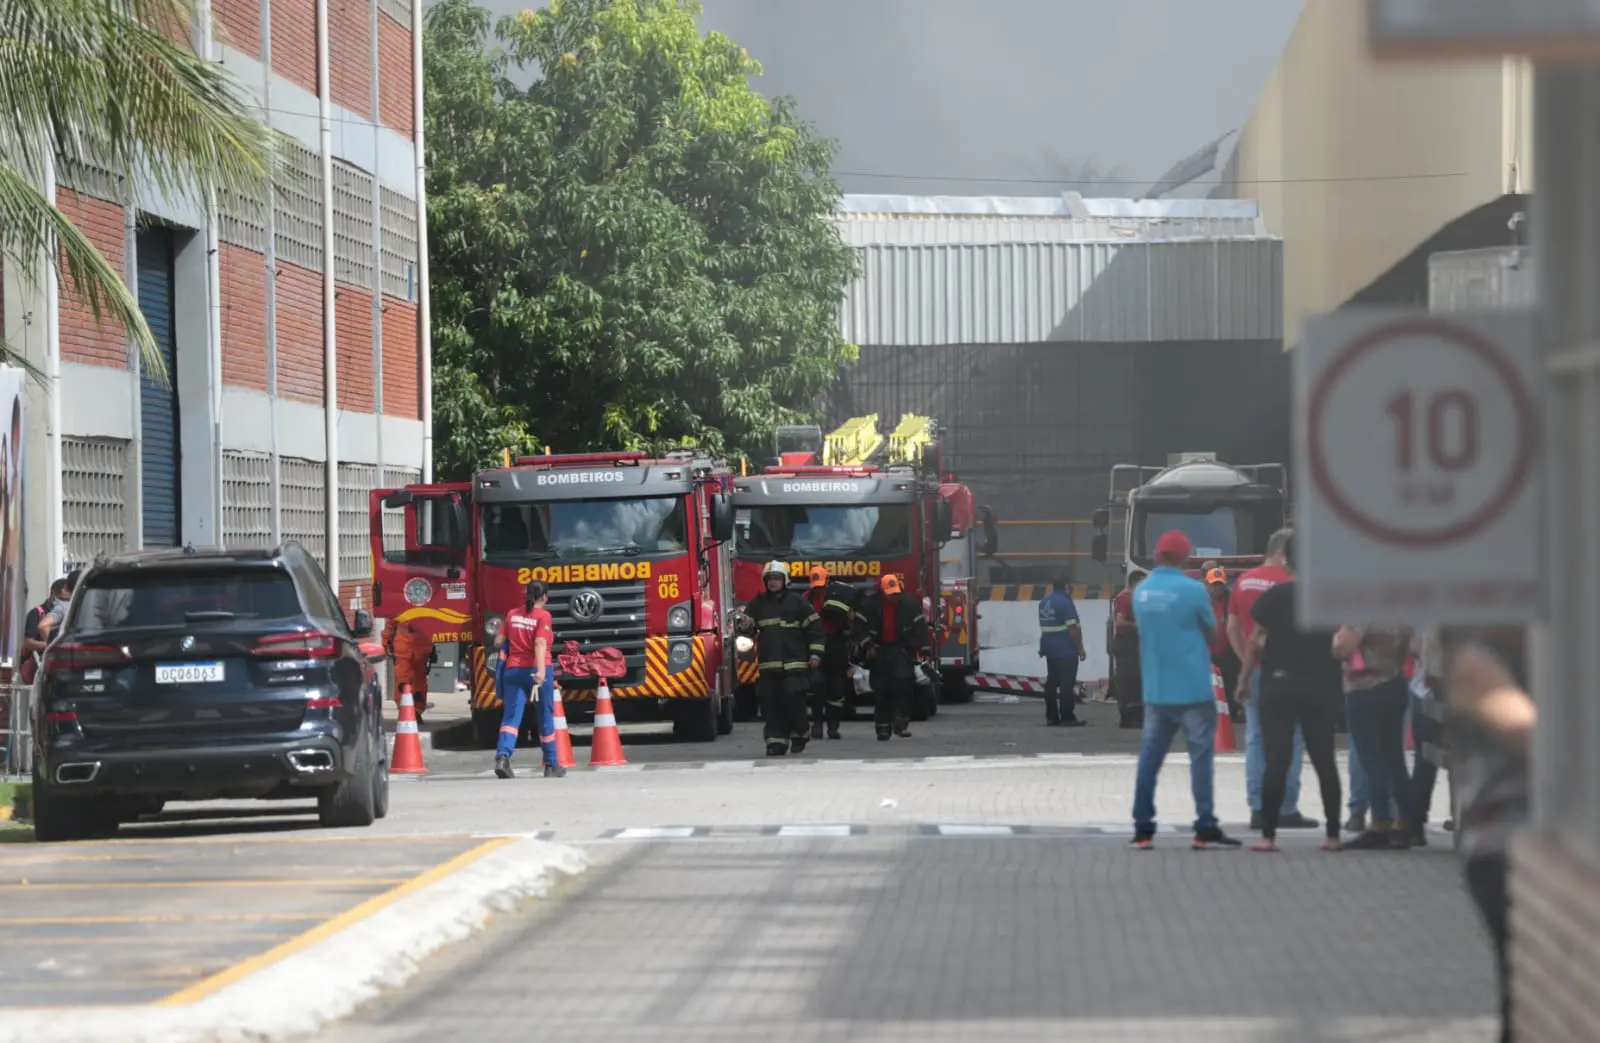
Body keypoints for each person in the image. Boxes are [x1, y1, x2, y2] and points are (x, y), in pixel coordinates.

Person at [1444, 628, 1531, 1043]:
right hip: (1501, 849)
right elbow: (1524, 732)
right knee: (1524, 987)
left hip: (1532, 847)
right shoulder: (1476, 662)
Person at [1128, 531, 1239, 850]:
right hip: (1193, 687)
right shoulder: (1194, 590)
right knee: (1200, 758)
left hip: (1157, 689)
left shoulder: (1142, 593)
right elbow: (1211, 629)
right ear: (1185, 558)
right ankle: (1204, 826)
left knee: (1150, 758)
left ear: (1156, 554)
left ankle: (1143, 828)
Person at [1234, 532, 1344, 853]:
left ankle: (1267, 836)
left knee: (1276, 760)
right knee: (1325, 761)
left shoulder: (1274, 597)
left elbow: (1255, 641)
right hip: (1321, 686)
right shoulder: (1329, 598)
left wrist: (1243, 680)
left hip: (1279, 686)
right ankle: (1333, 836)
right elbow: (1341, 642)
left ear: (1288, 561)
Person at [1226, 530, 1317, 831]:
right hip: (1288, 671)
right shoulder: (1288, 584)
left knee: (1254, 737)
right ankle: (1286, 808)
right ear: (1284, 553)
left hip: (1254, 670)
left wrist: (1246, 665)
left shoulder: (1242, 580)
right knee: (1290, 737)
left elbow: (1233, 627)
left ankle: (1257, 806)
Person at [1334, 623, 1414, 849]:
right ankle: (1404, 824)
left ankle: (1380, 825)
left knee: (1371, 760)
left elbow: (1344, 648)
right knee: (1394, 759)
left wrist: (1336, 642)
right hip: (1395, 684)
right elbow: (1415, 647)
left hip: (1365, 688)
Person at [738, 560, 823, 756]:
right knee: (770, 705)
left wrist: (816, 654)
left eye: (777, 578)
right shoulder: (758, 603)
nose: (773, 582)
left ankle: (800, 733)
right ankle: (776, 741)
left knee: (794, 701)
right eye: (770, 579)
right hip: (769, 667)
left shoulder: (798, 602)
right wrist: (744, 626)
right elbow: (747, 629)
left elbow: (815, 631)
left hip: (795, 665)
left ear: (785, 581)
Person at [492, 580, 565, 779]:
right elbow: (540, 643)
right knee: (544, 716)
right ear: (544, 597)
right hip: (536, 671)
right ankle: (551, 764)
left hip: (513, 671)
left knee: (511, 718)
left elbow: (498, 641)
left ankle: (503, 758)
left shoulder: (512, 614)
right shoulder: (544, 616)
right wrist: (540, 672)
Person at [856, 573, 927, 741]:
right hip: (879, 650)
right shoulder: (869, 605)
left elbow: (920, 627)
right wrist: (868, 645)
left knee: (903, 687)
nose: (892, 596)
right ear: (882, 591)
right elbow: (859, 628)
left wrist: (924, 648)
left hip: (901, 649)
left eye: (895, 593)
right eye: (889, 593)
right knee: (881, 691)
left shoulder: (909, 605)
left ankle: (901, 724)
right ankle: (882, 728)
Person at [805, 565, 859, 740]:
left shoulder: (839, 596)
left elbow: (851, 621)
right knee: (817, 686)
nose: (819, 588)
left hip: (835, 644)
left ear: (827, 582)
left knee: (836, 688)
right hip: (813, 645)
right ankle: (817, 724)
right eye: (816, 585)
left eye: (821, 585)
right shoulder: (804, 600)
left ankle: (833, 726)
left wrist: (850, 621)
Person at [1407, 627, 1447, 845]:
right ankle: (1455, 814)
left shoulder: (1430, 617)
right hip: (1443, 688)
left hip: (1426, 691)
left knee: (1424, 761)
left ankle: (1415, 824)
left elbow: (1414, 647)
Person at [1037, 576, 1087, 727]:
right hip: (1065, 649)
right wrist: (1080, 648)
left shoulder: (1044, 601)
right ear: (1066, 586)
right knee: (1066, 683)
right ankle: (1067, 717)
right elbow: (1073, 627)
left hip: (1049, 648)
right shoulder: (1065, 602)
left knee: (1052, 682)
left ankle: (1051, 717)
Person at [382, 615, 435, 720]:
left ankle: (412, 711)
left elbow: (390, 625)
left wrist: (387, 642)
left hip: (409, 647)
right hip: (416, 648)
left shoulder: (401, 602)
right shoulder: (428, 602)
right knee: (409, 681)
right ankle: (411, 711)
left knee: (409, 680)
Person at [1110, 569, 1146, 726]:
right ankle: (1127, 716)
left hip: (1133, 643)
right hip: (1126, 643)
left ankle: (1137, 714)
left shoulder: (1135, 598)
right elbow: (1120, 622)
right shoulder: (1126, 598)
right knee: (1128, 680)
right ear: (1136, 582)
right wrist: (1139, 626)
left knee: (1137, 679)